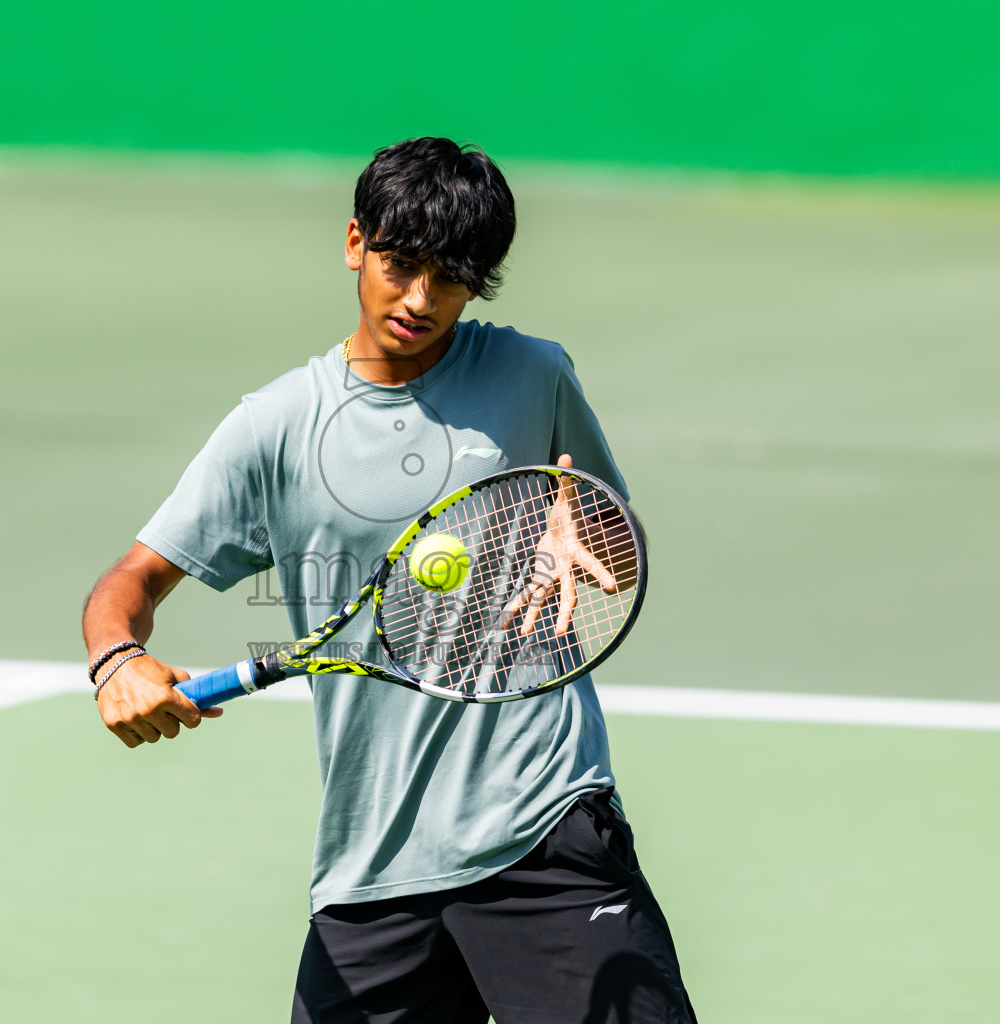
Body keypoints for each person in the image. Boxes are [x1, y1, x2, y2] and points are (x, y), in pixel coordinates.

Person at [81, 137, 697, 1024]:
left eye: (449, 278)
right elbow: (131, 578)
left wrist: (591, 526)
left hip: (542, 828)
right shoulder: (276, 427)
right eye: (400, 265)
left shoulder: (532, 377)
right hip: (373, 862)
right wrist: (118, 660)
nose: (419, 299)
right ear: (354, 243)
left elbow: (614, 553)